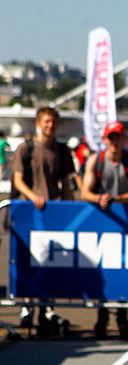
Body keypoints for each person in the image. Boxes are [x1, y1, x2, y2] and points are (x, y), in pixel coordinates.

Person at [12, 107, 76, 338]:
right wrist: (33, 197)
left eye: (54, 122)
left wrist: (69, 208)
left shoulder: (62, 150)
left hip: (52, 214)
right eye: (47, 122)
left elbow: (66, 184)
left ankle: (48, 307)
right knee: (28, 260)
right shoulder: (26, 148)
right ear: (39, 123)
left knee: (49, 261)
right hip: (29, 213)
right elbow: (18, 181)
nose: (51, 126)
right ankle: (27, 305)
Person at [81, 121, 128, 340]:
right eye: (111, 137)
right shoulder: (95, 161)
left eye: (118, 137)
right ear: (105, 139)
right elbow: (84, 192)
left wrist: (114, 199)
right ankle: (102, 314)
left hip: (124, 220)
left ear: (123, 139)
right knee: (103, 269)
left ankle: (123, 316)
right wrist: (99, 198)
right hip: (102, 220)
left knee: (123, 268)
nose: (114, 142)